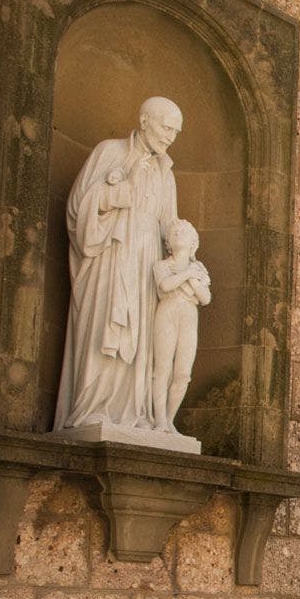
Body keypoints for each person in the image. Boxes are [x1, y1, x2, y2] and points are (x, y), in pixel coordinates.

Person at [58, 96, 184, 431]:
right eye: (166, 127)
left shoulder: (165, 173)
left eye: (176, 131)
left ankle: (136, 411)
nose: (171, 136)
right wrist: (112, 196)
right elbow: (76, 208)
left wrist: (181, 241)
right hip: (111, 256)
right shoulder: (109, 152)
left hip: (146, 261)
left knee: (141, 336)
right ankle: (92, 407)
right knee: (106, 327)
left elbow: (168, 223)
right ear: (144, 121)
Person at [149, 219, 211, 432]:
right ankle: (159, 421)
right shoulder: (162, 265)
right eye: (174, 232)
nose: (178, 234)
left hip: (188, 315)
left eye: (183, 232)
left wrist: (191, 277)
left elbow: (205, 298)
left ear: (193, 242)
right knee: (162, 368)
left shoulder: (199, 268)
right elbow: (165, 285)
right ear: (168, 243)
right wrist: (187, 275)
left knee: (183, 372)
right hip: (167, 312)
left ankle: (170, 419)